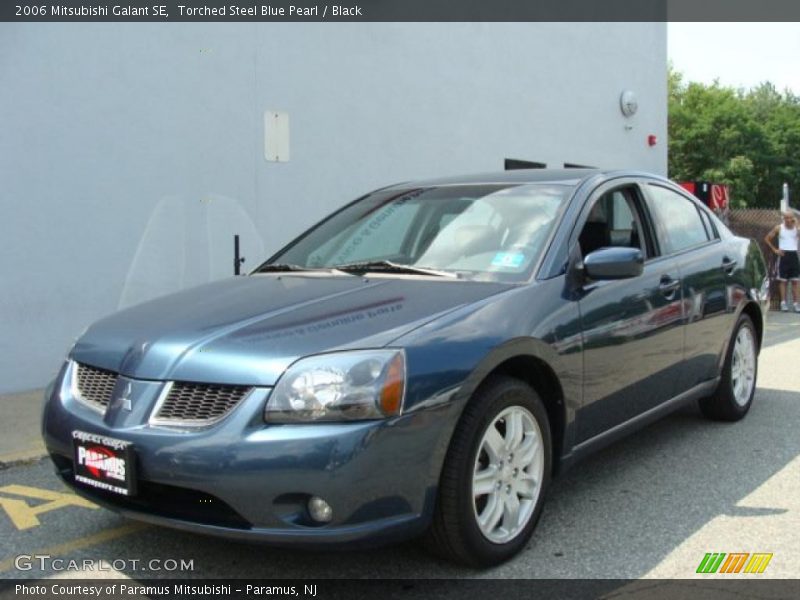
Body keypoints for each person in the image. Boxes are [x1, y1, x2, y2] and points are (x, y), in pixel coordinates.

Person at [765, 211, 800, 311]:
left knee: (795, 281)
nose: (788, 220)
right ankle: (783, 303)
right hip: (783, 255)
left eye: (790, 218)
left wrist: (797, 224)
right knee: (783, 281)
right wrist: (775, 250)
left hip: (793, 255)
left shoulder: (796, 228)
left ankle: (797, 304)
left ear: (793, 218)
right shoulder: (779, 228)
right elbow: (767, 238)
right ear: (783, 218)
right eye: (786, 218)